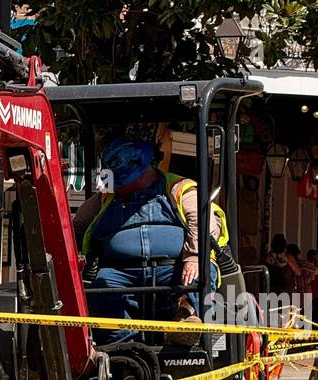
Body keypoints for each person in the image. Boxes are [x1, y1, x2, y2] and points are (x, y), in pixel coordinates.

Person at [80, 137, 224, 333]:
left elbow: (203, 220)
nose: (117, 187)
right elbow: (76, 225)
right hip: (120, 272)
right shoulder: (107, 196)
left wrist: (194, 257)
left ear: (141, 174)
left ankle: (185, 320)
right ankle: (122, 346)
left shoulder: (179, 188)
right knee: (102, 287)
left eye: (122, 181)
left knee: (200, 273)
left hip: (173, 269)